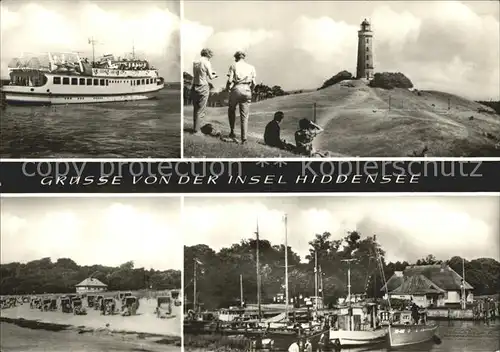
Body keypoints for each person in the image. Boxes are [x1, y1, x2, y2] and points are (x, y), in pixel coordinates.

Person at [226, 51, 256, 144]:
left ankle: (232, 132)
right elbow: (254, 83)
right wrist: (251, 89)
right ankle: (244, 139)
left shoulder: (233, 65)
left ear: (236, 57)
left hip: (236, 88)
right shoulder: (251, 67)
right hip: (247, 89)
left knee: (231, 110)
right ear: (244, 57)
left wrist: (228, 88)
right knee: (244, 115)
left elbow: (230, 80)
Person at [192, 48, 217, 134]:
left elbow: (198, 73)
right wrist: (215, 75)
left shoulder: (195, 62)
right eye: (210, 56)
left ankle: (195, 127)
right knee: (201, 110)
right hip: (203, 86)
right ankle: (197, 131)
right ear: (208, 55)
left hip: (194, 85)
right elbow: (210, 77)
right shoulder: (207, 62)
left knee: (195, 109)